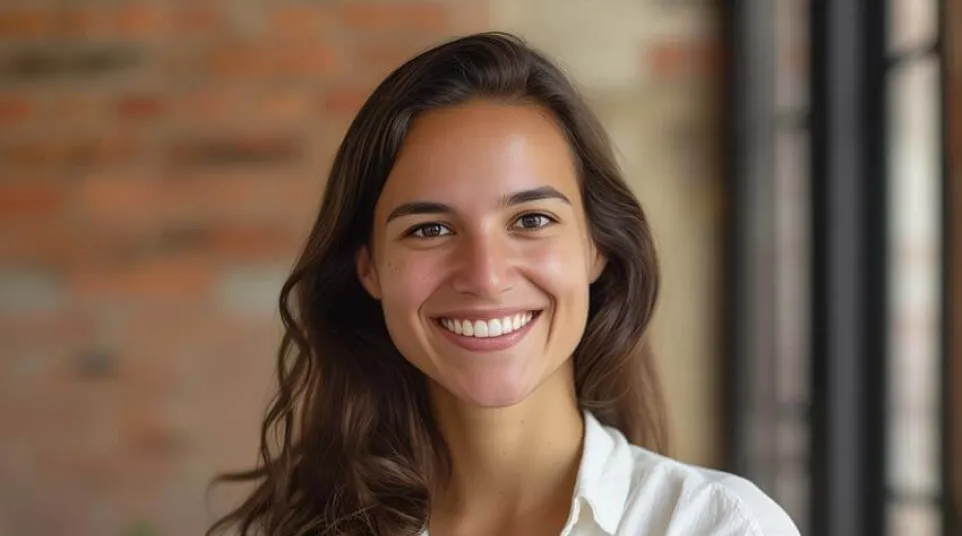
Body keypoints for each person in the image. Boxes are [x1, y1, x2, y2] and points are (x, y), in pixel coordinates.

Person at [207, 32, 800, 536]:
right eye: (430, 228)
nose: (486, 276)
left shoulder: (718, 526)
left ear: (596, 248)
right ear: (367, 268)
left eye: (531, 220)